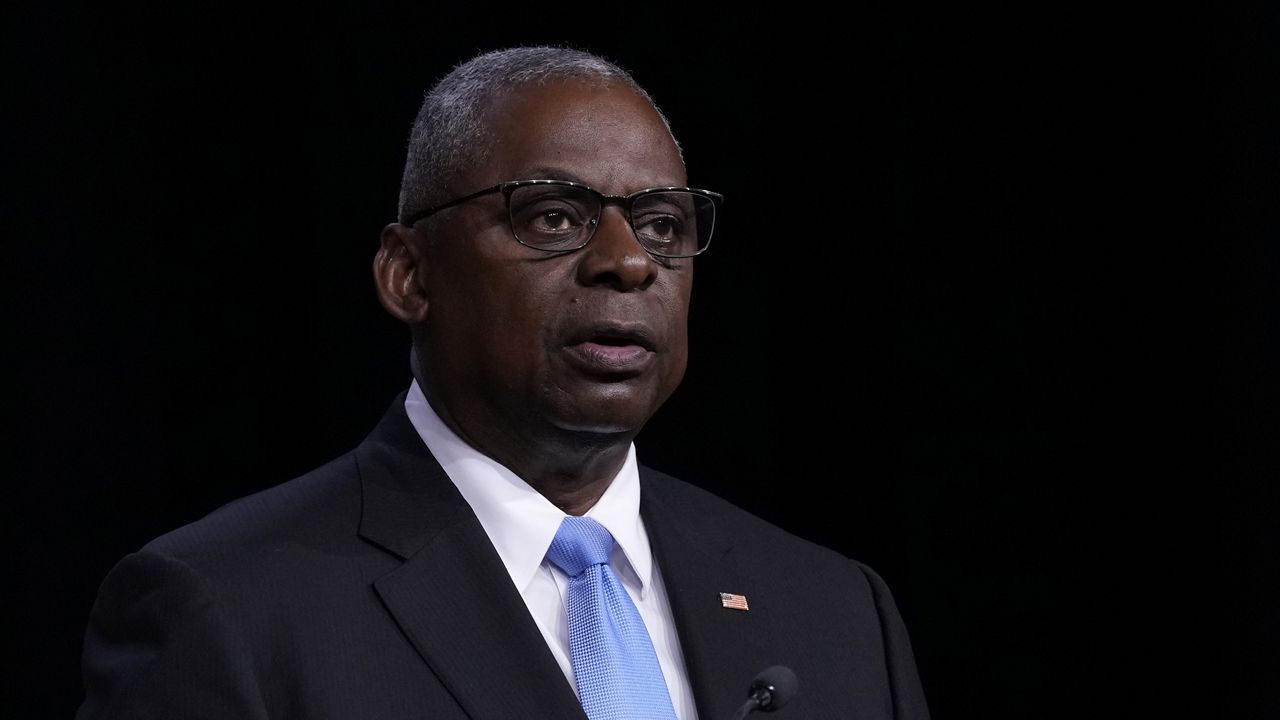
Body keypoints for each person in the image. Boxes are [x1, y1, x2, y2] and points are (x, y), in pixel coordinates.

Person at [76, 46, 930, 719]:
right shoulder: (227, 612)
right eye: (554, 216)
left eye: (662, 223)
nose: (629, 262)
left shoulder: (834, 612)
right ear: (408, 275)